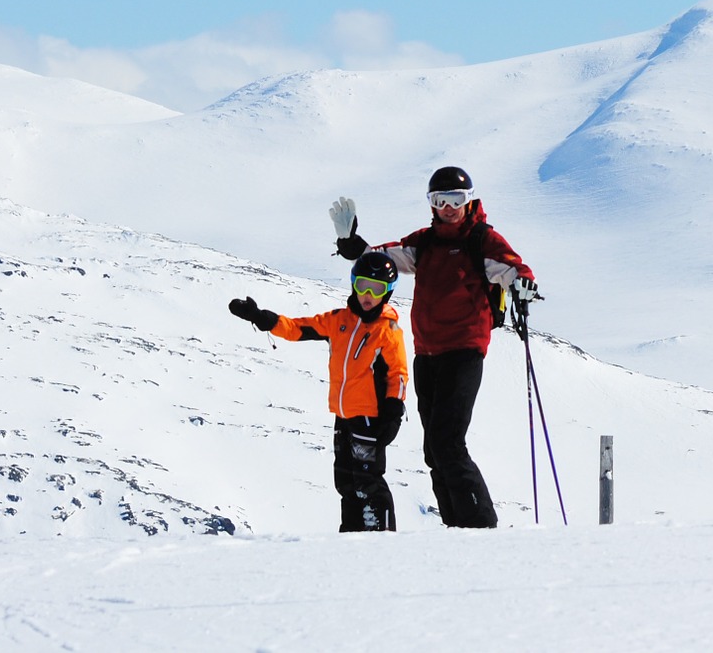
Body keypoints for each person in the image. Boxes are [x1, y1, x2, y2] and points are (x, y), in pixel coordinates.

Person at [330, 166, 540, 529]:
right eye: (439, 200)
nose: (448, 207)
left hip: (465, 349)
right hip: (427, 354)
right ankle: (455, 527)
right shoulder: (425, 242)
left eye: (456, 199)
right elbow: (385, 259)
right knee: (433, 449)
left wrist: (523, 286)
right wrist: (354, 246)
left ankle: (479, 526)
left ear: (469, 199)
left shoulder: (481, 240)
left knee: (447, 442)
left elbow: (514, 270)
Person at [228, 251, 408, 532]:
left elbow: (398, 374)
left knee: (368, 481)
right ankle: (351, 534)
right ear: (354, 284)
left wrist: (394, 411)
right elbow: (300, 328)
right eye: (363, 286)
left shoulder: (387, 330)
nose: (368, 295)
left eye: (377, 289)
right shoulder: (339, 320)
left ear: (388, 292)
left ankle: (381, 537)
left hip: (370, 419)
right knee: (345, 481)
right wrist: (264, 318)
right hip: (344, 416)